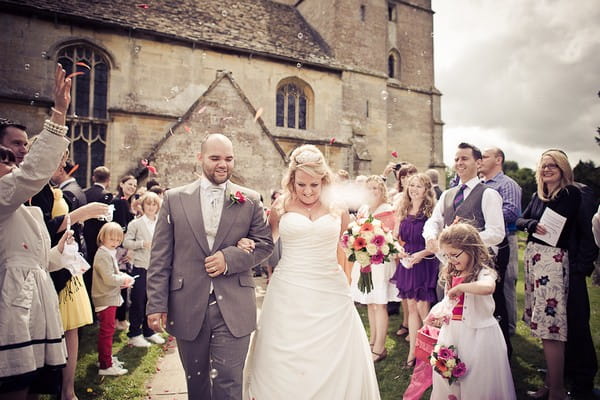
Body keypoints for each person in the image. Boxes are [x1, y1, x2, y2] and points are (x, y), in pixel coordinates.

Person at [245, 144, 380, 399]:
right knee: (284, 353)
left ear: (324, 181)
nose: (307, 191)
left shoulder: (337, 207)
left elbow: (348, 245)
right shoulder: (281, 206)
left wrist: (371, 247)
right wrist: (246, 244)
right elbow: (265, 244)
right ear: (292, 181)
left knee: (332, 352)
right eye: (301, 185)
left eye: (314, 185)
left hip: (330, 289)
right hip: (288, 290)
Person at [146, 133, 273, 399]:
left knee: (229, 384)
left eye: (228, 158)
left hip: (235, 306)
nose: (223, 164)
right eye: (215, 158)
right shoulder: (174, 198)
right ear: (200, 158)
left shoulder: (249, 198)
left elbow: (264, 244)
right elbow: (160, 257)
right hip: (188, 304)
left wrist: (230, 259)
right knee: (198, 384)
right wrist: (156, 304)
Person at [0, 64, 71, 400]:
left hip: (31, 303)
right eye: (10, 149)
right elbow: (33, 172)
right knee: (15, 384)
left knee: (32, 387)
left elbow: (37, 259)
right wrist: (58, 113)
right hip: (10, 307)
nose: (20, 153)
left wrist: (59, 255)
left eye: (25, 145)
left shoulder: (19, 203)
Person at [423, 142, 509, 356]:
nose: (459, 163)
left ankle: (491, 358)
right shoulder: (447, 195)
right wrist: (431, 236)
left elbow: (497, 233)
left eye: (465, 158)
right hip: (449, 267)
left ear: (478, 162)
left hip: (478, 268)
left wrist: (463, 240)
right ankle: (452, 358)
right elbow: (433, 221)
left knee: (479, 316)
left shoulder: (488, 194)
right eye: (456, 159)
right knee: (451, 313)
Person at [516, 149, 581, 400]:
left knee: (551, 327)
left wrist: (531, 223)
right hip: (535, 260)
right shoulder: (537, 195)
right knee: (543, 326)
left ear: (563, 168)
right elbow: (521, 221)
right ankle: (550, 383)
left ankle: (557, 390)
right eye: (543, 166)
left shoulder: (569, 193)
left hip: (551, 262)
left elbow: (551, 225)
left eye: (553, 165)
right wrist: (531, 224)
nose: (547, 169)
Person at [430, 223, 515, 400]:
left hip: (479, 337)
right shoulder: (451, 273)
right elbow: (449, 302)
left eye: (454, 255)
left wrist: (462, 287)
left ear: (470, 249)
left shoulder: (484, 272)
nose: (451, 260)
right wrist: (438, 314)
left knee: (478, 380)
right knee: (451, 379)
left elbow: (488, 287)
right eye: (447, 256)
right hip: (453, 333)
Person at [391, 173, 439, 368]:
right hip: (408, 261)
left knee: (422, 307)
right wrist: (399, 250)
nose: (414, 189)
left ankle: (429, 351)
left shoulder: (432, 211)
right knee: (411, 307)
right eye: (411, 185)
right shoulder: (402, 208)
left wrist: (420, 255)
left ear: (426, 189)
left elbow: (437, 243)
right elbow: (394, 237)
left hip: (425, 260)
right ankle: (412, 352)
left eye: (418, 186)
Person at [349, 175, 399, 362]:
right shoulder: (364, 209)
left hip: (380, 261)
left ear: (382, 191)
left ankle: (380, 346)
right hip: (364, 260)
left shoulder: (388, 211)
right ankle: (372, 342)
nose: (372, 192)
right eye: (368, 189)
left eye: (375, 189)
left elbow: (391, 238)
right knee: (370, 303)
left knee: (379, 304)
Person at [479, 147, 522, 336]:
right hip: (483, 241)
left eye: (485, 157)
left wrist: (484, 218)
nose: (480, 160)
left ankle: (509, 328)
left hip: (505, 240)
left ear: (498, 160)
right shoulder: (479, 184)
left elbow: (512, 212)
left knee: (506, 283)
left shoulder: (507, 184)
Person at [565, 181, 599, 399]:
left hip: (574, 269)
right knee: (559, 324)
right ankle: (567, 371)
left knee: (577, 323)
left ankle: (584, 380)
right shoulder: (549, 194)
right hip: (554, 269)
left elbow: (591, 232)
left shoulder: (580, 193)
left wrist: (581, 268)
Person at [123, 192, 165, 347]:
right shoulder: (136, 224)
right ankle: (134, 333)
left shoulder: (161, 223)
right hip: (140, 267)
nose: (151, 207)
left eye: (154, 204)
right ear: (143, 205)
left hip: (156, 268)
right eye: (148, 204)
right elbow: (126, 242)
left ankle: (149, 331)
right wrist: (141, 244)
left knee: (151, 302)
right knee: (138, 301)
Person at [92, 222, 134, 376]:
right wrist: (124, 279)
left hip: (109, 295)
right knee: (107, 331)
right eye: (112, 239)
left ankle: (105, 358)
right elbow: (109, 278)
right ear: (102, 237)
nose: (115, 243)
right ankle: (105, 365)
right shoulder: (103, 254)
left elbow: (110, 276)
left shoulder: (108, 252)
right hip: (105, 297)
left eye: (118, 240)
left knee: (108, 330)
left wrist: (122, 279)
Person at [111, 174, 138, 331]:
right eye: (129, 184)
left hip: (124, 247)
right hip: (120, 249)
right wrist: (128, 248)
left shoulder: (126, 203)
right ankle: (118, 319)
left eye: (134, 185)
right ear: (121, 184)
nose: (132, 187)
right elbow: (122, 227)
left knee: (123, 283)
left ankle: (119, 318)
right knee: (121, 283)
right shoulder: (120, 202)